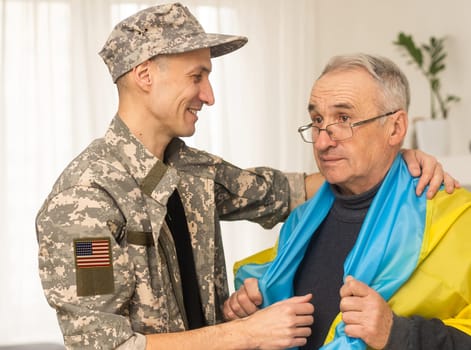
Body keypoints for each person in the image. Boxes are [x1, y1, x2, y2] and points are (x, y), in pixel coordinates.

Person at [36, 3, 456, 349]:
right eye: (196, 77)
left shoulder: (193, 171)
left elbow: (289, 190)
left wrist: (394, 152)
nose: (209, 96)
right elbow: (103, 345)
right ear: (145, 76)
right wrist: (248, 333)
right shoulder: (86, 198)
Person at [229, 53, 471, 349]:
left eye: (344, 119)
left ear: (395, 128)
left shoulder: (458, 220)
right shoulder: (300, 223)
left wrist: (397, 333)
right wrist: (249, 310)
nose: (322, 141)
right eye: (317, 120)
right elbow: (274, 305)